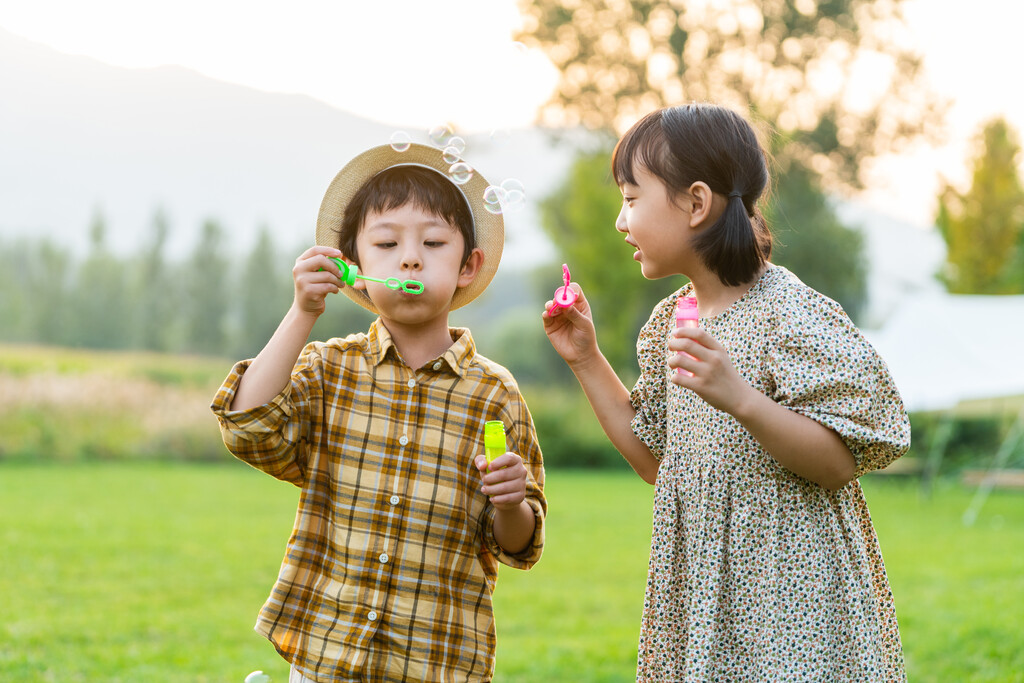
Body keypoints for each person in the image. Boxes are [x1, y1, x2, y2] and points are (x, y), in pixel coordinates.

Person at [542, 103, 910, 681]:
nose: (620, 220)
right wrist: (587, 358)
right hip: (704, 597)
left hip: (793, 600)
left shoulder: (789, 312)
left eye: (632, 198)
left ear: (695, 202)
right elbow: (655, 461)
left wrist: (740, 396)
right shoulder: (670, 323)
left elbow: (840, 463)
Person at [211, 143, 546, 682]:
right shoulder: (329, 369)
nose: (410, 258)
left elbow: (518, 544)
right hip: (326, 658)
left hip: (436, 663)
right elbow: (249, 429)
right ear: (355, 269)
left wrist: (511, 503)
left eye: (433, 243)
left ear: (469, 266)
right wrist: (302, 312)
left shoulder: (494, 395)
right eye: (387, 243)